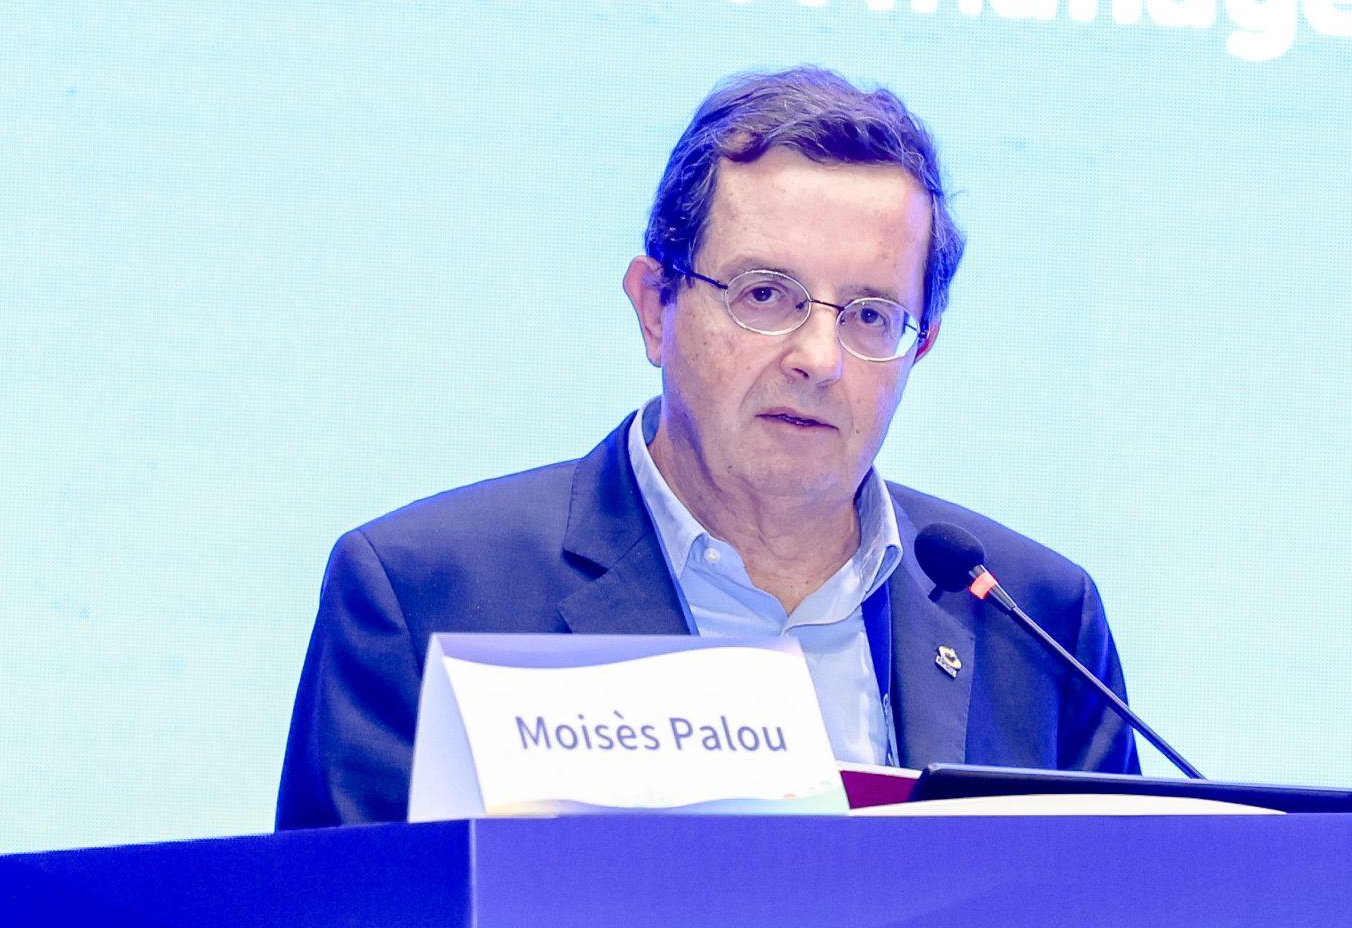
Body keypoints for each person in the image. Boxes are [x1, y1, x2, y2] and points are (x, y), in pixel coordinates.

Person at [276, 66, 1140, 828]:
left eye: (871, 315)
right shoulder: (424, 595)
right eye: (765, 294)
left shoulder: (1037, 622)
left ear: (921, 347)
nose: (819, 358)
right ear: (655, 306)